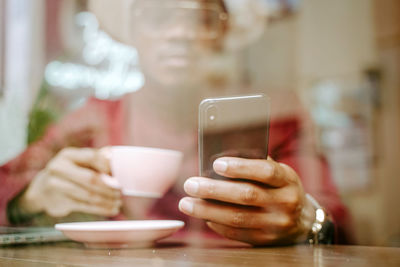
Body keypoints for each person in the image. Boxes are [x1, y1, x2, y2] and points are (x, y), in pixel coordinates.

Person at [0, 0, 353, 245]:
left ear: (221, 33)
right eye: (158, 17)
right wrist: (31, 197)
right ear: (133, 31)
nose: (179, 33)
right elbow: (8, 184)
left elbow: (335, 219)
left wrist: (307, 219)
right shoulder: (93, 120)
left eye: (199, 18)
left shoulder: (272, 119)